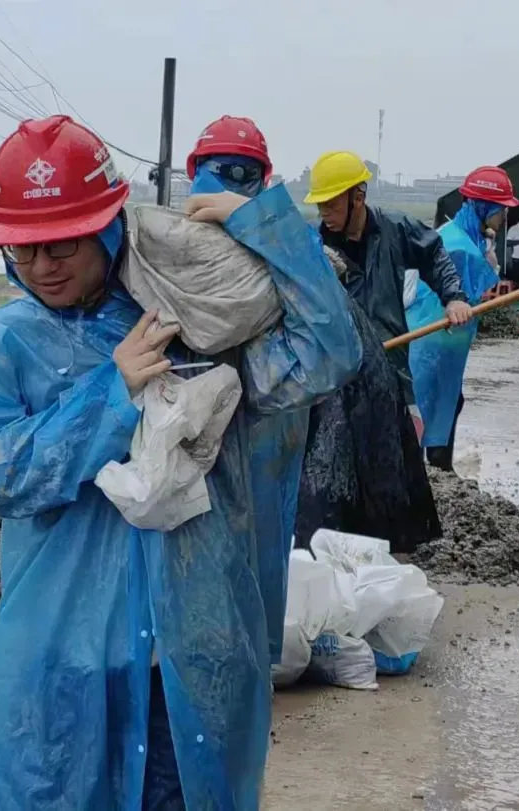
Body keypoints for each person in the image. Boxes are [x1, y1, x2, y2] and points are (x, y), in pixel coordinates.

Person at [0, 115, 361, 809]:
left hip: (182, 663)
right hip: (66, 662)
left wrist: (268, 228)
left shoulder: (189, 322)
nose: (45, 267)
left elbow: (329, 353)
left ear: (108, 226)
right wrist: (112, 394)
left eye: (64, 244)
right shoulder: (8, 342)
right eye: (25, 250)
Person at [294, 150, 461, 553]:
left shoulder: (396, 230)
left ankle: (392, 547)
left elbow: (435, 255)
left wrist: (453, 297)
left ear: (358, 196)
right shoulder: (316, 247)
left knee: (390, 465)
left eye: (332, 204)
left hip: (389, 372)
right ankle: (332, 548)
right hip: (338, 379)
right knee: (335, 468)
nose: (325, 213)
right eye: (320, 205)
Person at [185, 115, 302, 669]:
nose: (229, 182)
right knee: (198, 540)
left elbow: (331, 343)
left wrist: (266, 228)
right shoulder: (175, 239)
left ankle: (253, 662)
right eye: (219, 171)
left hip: (270, 417)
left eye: (243, 173)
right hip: (197, 415)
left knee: (261, 543)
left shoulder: (284, 240)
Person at [413, 166, 519, 472]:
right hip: (433, 341)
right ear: (484, 207)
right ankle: (433, 472)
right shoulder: (459, 247)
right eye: (501, 211)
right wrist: (491, 265)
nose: (503, 218)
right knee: (430, 407)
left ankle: (439, 470)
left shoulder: (458, 235)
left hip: (446, 344)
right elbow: (471, 293)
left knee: (448, 403)